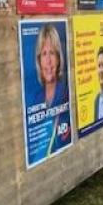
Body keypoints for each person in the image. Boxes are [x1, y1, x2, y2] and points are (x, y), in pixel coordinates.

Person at [31, 24, 71, 156]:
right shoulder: (37, 99)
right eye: (44, 54)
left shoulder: (66, 93)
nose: (48, 61)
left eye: (52, 53)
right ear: (39, 60)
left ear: (59, 58)